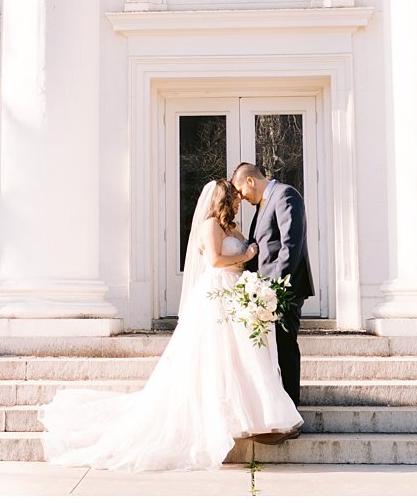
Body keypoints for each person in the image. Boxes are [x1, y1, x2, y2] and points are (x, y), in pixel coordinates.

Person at [38, 176, 302, 471]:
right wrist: (246, 254)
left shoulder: (234, 228)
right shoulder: (210, 226)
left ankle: (252, 417)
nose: (240, 202)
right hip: (218, 293)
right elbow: (215, 260)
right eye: (236, 198)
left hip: (237, 291)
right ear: (224, 199)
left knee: (243, 357)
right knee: (218, 356)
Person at [232, 161, 313, 426]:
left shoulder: (286, 195)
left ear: (251, 181)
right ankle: (280, 409)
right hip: (266, 292)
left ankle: (293, 411)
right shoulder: (262, 205)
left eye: (240, 190)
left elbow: (291, 244)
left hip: (284, 290)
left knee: (286, 345)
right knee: (273, 348)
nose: (241, 197)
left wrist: (276, 288)